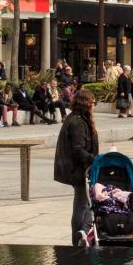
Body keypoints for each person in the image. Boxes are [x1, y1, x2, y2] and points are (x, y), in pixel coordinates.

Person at [54, 88, 100, 246]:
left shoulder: (76, 118)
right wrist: (95, 160)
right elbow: (78, 149)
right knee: (84, 203)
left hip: (78, 169)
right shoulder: (78, 122)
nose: (94, 106)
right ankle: (81, 234)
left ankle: (80, 234)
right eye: (93, 102)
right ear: (87, 103)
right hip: (79, 170)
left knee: (82, 203)